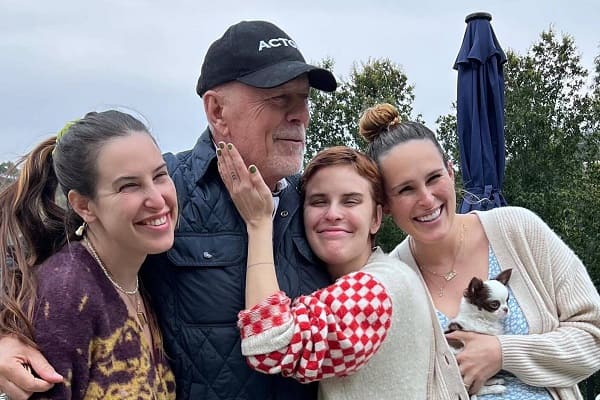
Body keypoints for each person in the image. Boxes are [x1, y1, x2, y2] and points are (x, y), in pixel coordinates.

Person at [0, 20, 337, 400]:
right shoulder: (163, 196)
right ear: (217, 110)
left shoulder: (318, 204)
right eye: (279, 99)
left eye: (303, 99)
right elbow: (48, 274)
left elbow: (374, 267)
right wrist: (7, 336)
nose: (301, 116)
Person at [359, 102, 600, 399]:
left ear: (451, 172)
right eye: (406, 189)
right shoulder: (391, 282)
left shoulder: (517, 229)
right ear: (385, 204)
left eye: (434, 178)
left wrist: (502, 352)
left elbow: (594, 335)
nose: (427, 199)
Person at [216, 144, 432, 399]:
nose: (333, 214)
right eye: (319, 202)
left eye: (350, 201)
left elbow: (270, 343)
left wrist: (259, 223)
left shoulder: (380, 286)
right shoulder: (385, 275)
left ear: (375, 218)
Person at [0, 110, 177, 399]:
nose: (158, 199)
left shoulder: (138, 272)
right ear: (83, 206)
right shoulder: (68, 293)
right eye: (129, 186)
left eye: (160, 176)